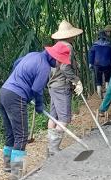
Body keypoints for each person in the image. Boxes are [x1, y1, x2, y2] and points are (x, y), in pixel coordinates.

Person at [0, 42, 71, 180]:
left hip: (4, 92)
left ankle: (8, 166)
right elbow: (37, 89)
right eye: (59, 61)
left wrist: (19, 80)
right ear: (53, 57)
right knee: (21, 135)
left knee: (11, 133)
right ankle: (16, 174)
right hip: (16, 96)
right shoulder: (44, 67)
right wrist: (39, 104)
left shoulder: (33, 55)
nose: (59, 64)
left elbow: (16, 64)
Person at [47, 20, 84, 157]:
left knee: (53, 117)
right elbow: (64, 67)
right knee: (64, 118)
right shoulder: (68, 46)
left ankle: (50, 149)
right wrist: (76, 81)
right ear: (69, 35)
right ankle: (54, 149)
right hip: (62, 86)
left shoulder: (56, 46)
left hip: (53, 85)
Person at [89, 25, 111, 98]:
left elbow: (91, 54)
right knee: (108, 78)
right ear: (106, 33)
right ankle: (107, 92)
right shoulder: (110, 44)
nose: (110, 34)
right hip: (107, 63)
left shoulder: (95, 44)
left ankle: (99, 94)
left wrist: (90, 63)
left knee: (98, 79)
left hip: (97, 64)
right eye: (109, 32)